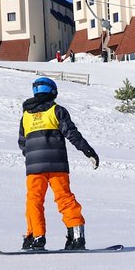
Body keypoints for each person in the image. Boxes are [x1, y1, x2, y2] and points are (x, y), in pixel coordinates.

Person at [18, 77, 99, 251]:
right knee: (65, 198)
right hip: (57, 166)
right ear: (52, 92)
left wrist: (32, 157)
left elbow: (22, 143)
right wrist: (88, 151)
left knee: (34, 201)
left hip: (34, 168)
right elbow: (72, 134)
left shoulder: (25, 116)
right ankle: (77, 237)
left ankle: (35, 238)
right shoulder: (57, 110)